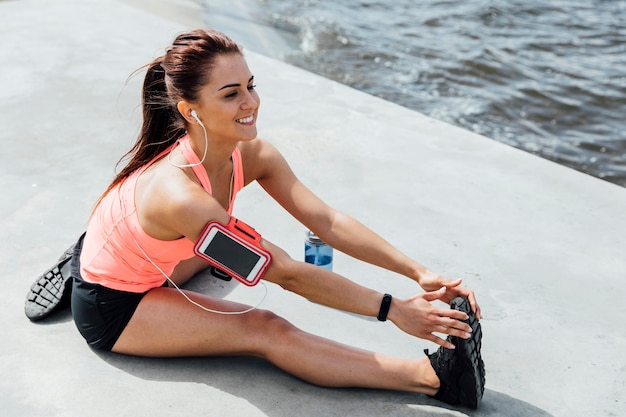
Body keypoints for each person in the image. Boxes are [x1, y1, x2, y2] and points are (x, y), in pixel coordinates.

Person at [25, 29, 485, 409]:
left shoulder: (251, 153)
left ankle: (100, 241)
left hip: (170, 250)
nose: (251, 102)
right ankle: (434, 380)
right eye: (231, 94)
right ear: (191, 110)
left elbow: (324, 219)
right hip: (116, 305)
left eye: (251, 85)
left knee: (215, 254)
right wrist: (395, 310)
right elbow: (282, 272)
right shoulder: (180, 198)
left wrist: (420, 273)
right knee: (264, 328)